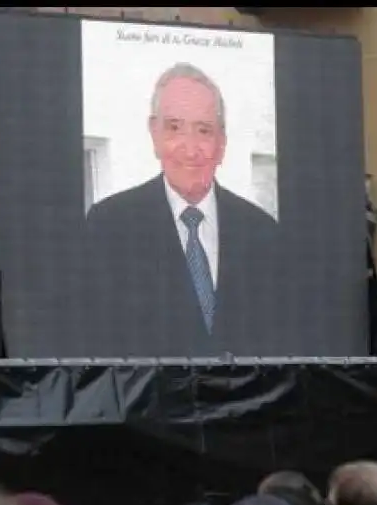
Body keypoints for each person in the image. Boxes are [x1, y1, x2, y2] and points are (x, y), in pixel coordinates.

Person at [82, 62, 284, 358]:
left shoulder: (263, 233)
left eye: (204, 130)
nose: (190, 149)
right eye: (175, 128)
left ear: (222, 144)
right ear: (154, 134)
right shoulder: (108, 226)